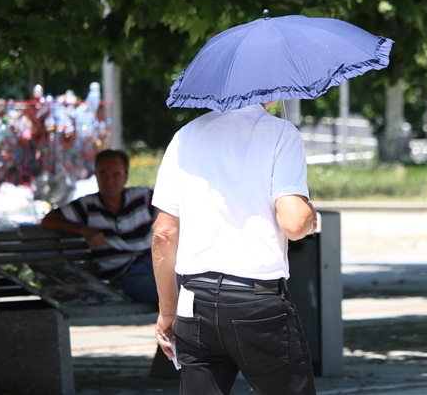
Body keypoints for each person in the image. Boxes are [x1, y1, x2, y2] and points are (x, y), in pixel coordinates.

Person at [151, 100, 318, 395]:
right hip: (256, 299)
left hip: (194, 300)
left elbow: (164, 233)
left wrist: (168, 310)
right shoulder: (280, 133)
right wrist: (310, 216)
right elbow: (293, 224)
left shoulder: (184, 136)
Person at [41, 149, 159, 302]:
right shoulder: (87, 206)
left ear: (125, 177)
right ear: (96, 176)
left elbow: (173, 214)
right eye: (103, 174)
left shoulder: (143, 198)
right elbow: (48, 220)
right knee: (170, 292)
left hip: (153, 264)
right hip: (124, 276)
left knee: (184, 284)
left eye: (116, 175)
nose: (109, 181)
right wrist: (84, 230)